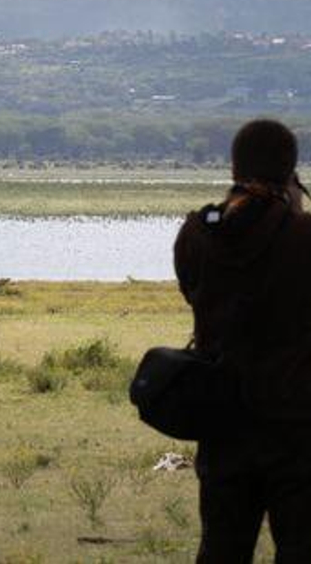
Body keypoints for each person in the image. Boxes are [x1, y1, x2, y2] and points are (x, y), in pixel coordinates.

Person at [174, 119, 311, 563]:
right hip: (297, 425)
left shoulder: (197, 234)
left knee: (221, 547)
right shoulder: (302, 235)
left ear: (234, 168)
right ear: (291, 171)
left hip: (223, 422)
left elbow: (196, 293)